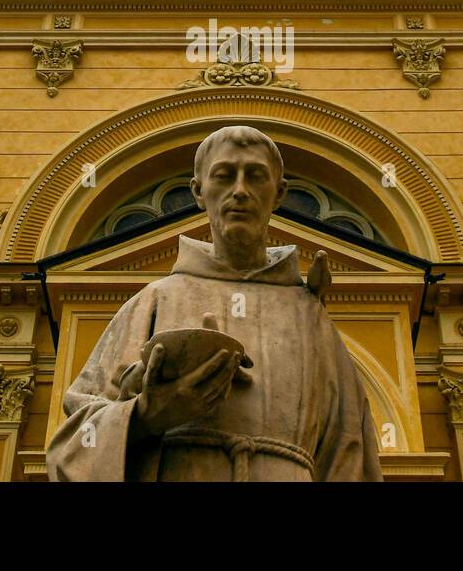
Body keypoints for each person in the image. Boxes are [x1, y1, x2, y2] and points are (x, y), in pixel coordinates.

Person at [46, 125, 383, 481]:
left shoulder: (310, 316)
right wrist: (146, 415)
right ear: (198, 191)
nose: (240, 191)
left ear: (280, 193)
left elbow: (350, 452)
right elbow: (74, 446)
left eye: (256, 176)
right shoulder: (154, 300)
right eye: (224, 176)